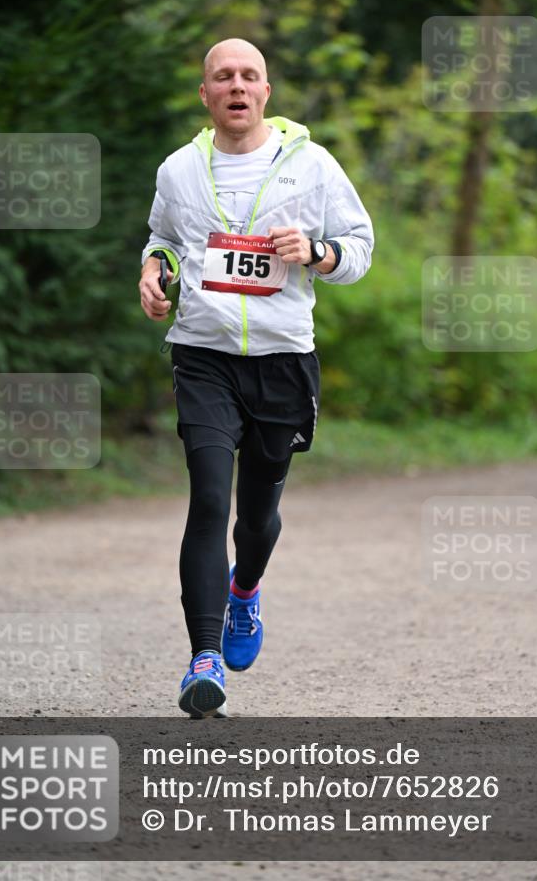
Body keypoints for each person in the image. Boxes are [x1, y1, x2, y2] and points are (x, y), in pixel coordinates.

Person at [139, 38, 374, 718]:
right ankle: (203, 657)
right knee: (210, 499)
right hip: (202, 355)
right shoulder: (180, 170)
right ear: (206, 95)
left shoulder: (313, 166)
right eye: (223, 77)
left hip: (281, 361)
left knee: (257, 515)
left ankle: (245, 589)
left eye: (249, 76)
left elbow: (359, 248)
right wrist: (153, 274)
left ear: (266, 92)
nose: (236, 86)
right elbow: (160, 238)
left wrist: (319, 252)